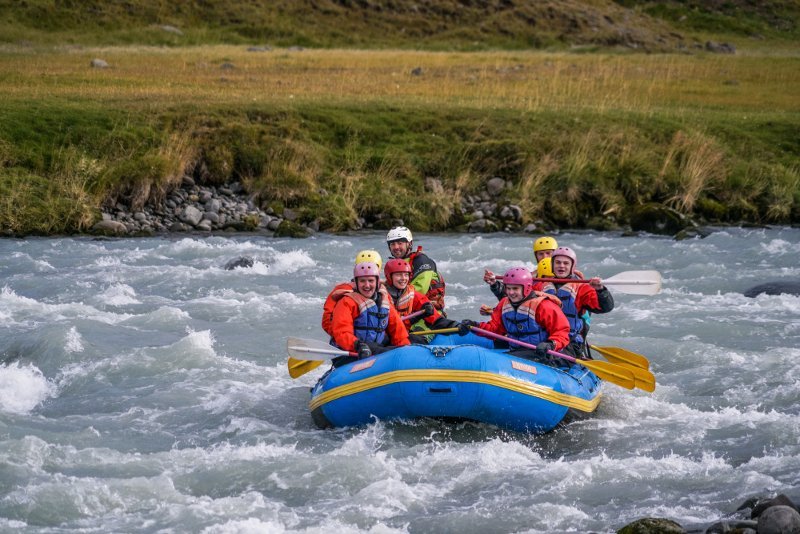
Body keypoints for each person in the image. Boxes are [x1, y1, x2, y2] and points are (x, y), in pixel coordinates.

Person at [460, 267, 570, 363]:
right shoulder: (504, 304)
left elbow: (562, 331)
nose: (511, 292)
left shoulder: (544, 306)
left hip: (543, 355)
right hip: (517, 352)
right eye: (508, 288)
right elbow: (495, 329)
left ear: (526, 287)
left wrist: (551, 344)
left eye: (515, 288)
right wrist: (474, 326)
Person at [329, 262, 410, 366]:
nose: (367, 285)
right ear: (356, 283)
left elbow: (398, 331)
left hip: (374, 348)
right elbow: (342, 332)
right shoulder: (346, 302)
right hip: (351, 352)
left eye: (371, 281)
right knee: (380, 350)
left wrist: (406, 350)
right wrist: (358, 345)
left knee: (406, 344)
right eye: (362, 281)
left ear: (377, 282)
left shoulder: (384, 302)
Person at [540, 246, 613, 357]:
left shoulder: (582, 288)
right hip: (545, 340)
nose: (561, 266)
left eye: (566, 263)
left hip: (570, 342)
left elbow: (605, 307)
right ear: (552, 265)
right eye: (558, 262)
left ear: (572, 266)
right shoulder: (542, 285)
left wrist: (600, 291)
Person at [383, 259, 460, 343]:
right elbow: (391, 323)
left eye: (406, 275)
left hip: (401, 335)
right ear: (389, 277)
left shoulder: (414, 295)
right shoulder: (381, 296)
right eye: (398, 275)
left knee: (418, 340)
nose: (403, 278)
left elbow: (436, 320)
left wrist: (457, 326)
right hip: (383, 337)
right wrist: (415, 317)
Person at [321, 249, 383, 337]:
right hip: (351, 340)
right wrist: (344, 338)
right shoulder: (342, 290)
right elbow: (327, 321)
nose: (367, 270)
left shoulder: (383, 291)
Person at [386, 226, 447, 311]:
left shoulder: (422, 262)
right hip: (407, 311)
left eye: (400, 243)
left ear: (409, 244)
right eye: (392, 244)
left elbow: (420, 290)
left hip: (428, 314)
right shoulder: (393, 265)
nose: (396, 247)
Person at [483, 236, 559, 300]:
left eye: (548, 253)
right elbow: (510, 293)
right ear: (536, 256)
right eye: (541, 254)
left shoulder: (566, 274)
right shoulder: (529, 276)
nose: (544, 257)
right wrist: (494, 284)